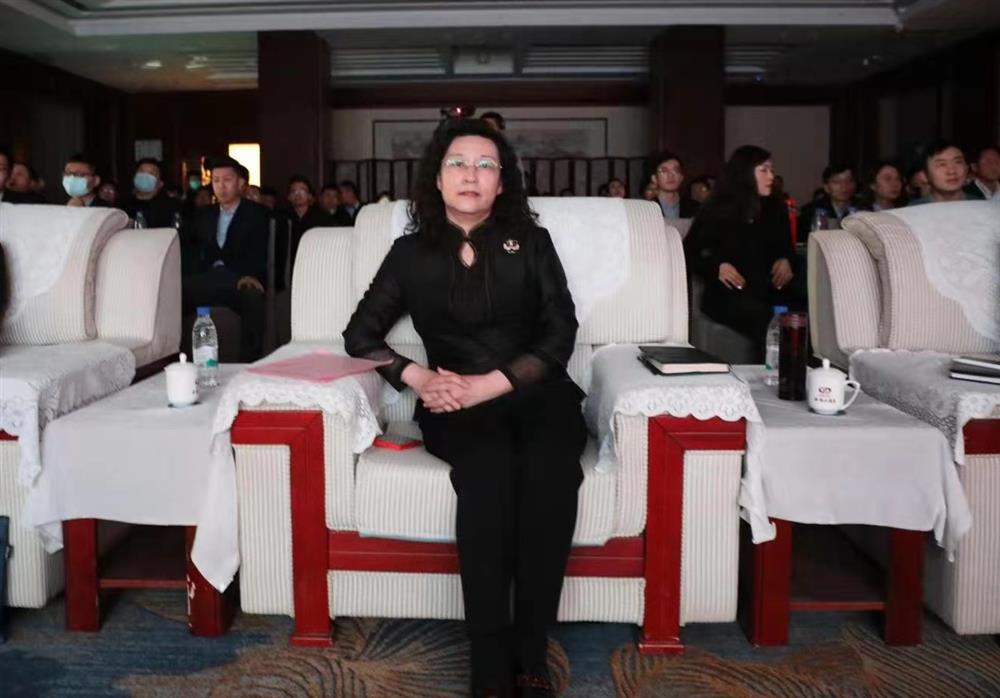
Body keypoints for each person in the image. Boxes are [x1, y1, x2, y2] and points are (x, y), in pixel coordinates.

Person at [343, 117, 586, 697]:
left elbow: (560, 333)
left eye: (484, 165)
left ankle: (531, 654)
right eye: (457, 163)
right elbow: (360, 336)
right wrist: (420, 377)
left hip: (537, 394)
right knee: (487, 478)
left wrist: (493, 383)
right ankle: (488, 663)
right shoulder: (410, 253)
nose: (470, 175)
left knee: (551, 475)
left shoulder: (532, 243)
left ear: (502, 182)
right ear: (437, 178)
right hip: (452, 402)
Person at [684, 145, 797, 360]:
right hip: (728, 294)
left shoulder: (776, 207)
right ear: (746, 173)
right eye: (763, 170)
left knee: (797, 314)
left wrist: (786, 260)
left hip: (767, 290)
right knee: (764, 319)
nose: (771, 176)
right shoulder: (717, 208)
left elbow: (786, 248)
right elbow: (690, 252)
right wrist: (718, 266)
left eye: (771, 170)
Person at [182, 155, 269, 361]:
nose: (221, 186)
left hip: (239, 278)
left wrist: (251, 274)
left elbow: (261, 250)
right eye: (216, 181)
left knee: (252, 297)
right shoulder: (203, 215)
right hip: (208, 277)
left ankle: (249, 362)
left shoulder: (258, 214)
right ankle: (179, 358)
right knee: (174, 292)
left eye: (227, 180)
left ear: (241, 183)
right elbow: (191, 250)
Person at [797, 163, 858, 240]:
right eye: (837, 182)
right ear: (826, 187)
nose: (844, 186)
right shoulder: (810, 210)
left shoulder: (863, 209)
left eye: (849, 181)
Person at [123, 158, 183, 228]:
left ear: (160, 183)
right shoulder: (123, 206)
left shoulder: (172, 207)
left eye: (151, 173)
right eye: (141, 172)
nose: (145, 176)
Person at [649, 151, 699, 219]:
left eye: (676, 170)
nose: (670, 175)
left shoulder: (696, 208)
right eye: (664, 171)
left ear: (681, 177)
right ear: (654, 178)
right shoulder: (647, 207)